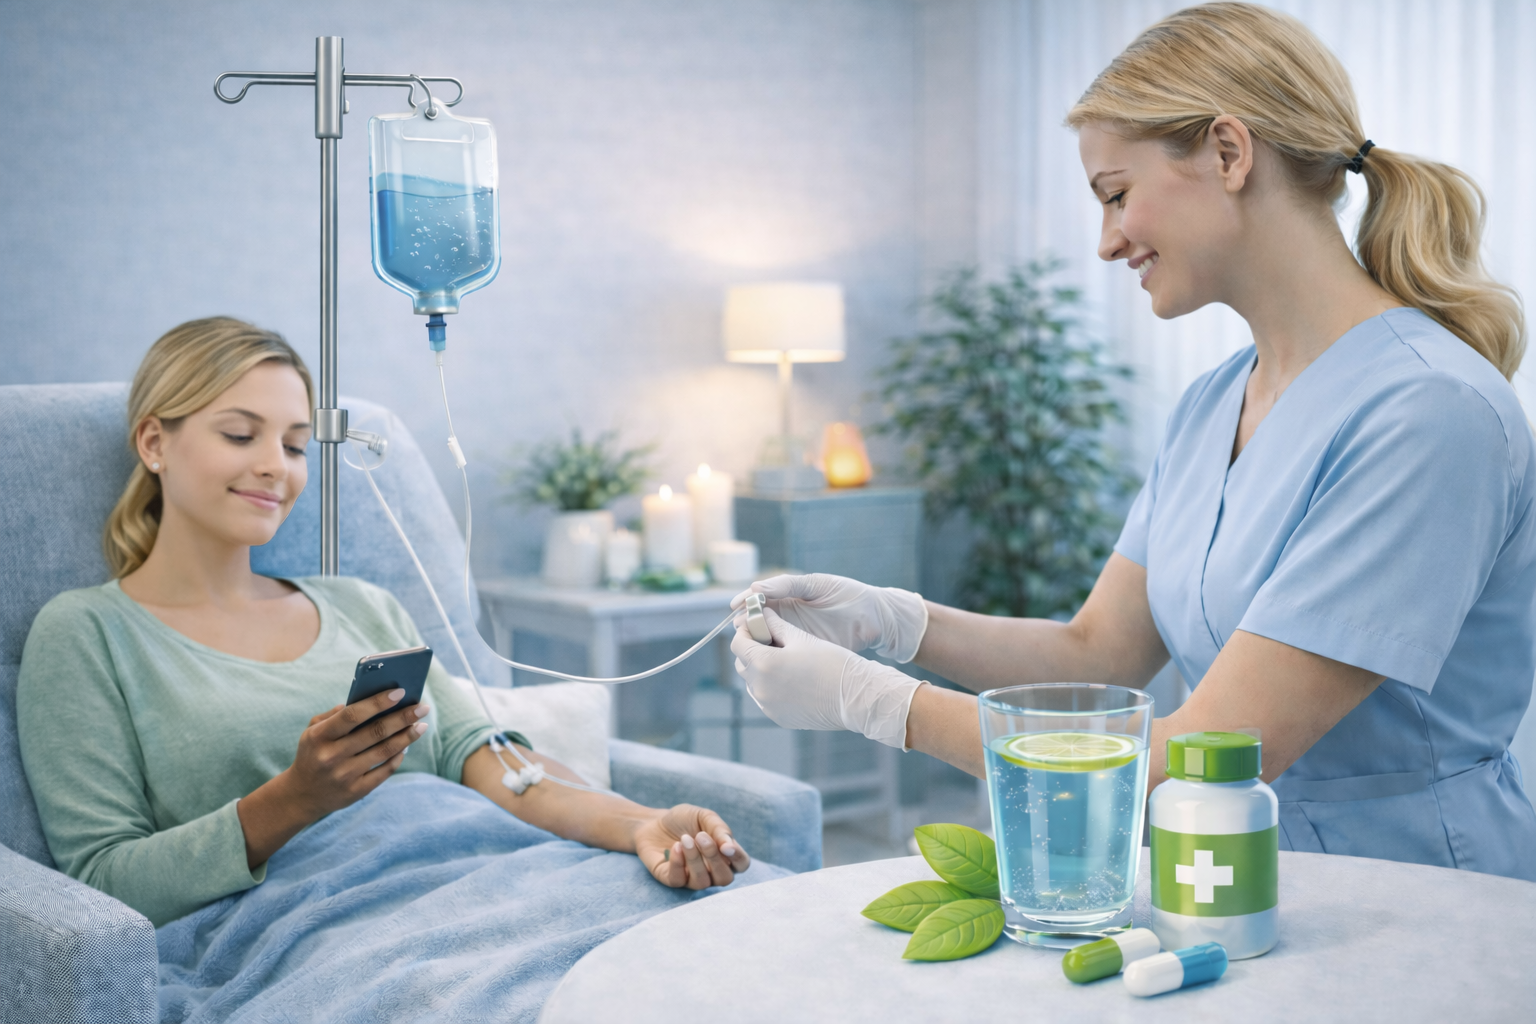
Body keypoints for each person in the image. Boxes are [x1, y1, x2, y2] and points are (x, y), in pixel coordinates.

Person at [731, 1, 1536, 882]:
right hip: (1233, 888)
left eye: (1117, 195)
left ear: (1230, 153)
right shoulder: (1212, 404)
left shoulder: (1427, 413)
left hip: (1418, 898)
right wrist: (895, 622)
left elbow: (1200, 759)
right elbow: (1099, 652)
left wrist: (877, 704)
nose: (1108, 241)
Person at [17, 317, 750, 928]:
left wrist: (637, 824)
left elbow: (492, 761)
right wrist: (295, 799)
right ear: (154, 444)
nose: (277, 466)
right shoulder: (88, 635)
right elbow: (102, 884)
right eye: (241, 435)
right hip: (323, 933)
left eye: (297, 444)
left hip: (496, 880)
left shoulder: (362, 606)